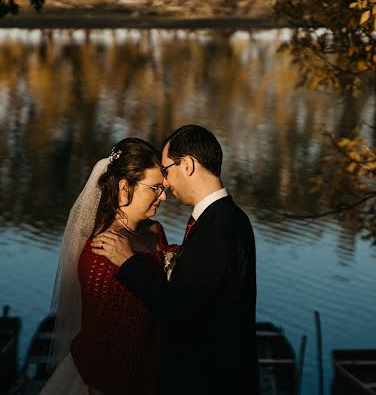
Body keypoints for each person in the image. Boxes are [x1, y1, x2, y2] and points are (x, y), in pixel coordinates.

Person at [92, 125, 258, 394]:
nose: (166, 183)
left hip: (207, 382)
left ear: (189, 165)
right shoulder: (231, 218)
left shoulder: (215, 228)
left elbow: (180, 311)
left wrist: (129, 262)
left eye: (167, 171)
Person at [42, 137, 169, 395]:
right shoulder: (100, 254)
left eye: (163, 188)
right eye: (155, 188)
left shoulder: (156, 233)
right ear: (125, 188)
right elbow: (100, 342)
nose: (163, 196)